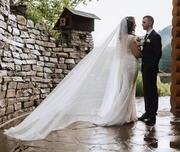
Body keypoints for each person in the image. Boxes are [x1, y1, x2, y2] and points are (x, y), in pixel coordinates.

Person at [4, 17, 141, 141]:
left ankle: (126, 114)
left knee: (124, 88)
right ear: (131, 26)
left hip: (123, 65)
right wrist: (142, 49)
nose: (136, 24)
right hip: (130, 64)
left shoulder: (121, 39)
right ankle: (123, 115)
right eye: (135, 23)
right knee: (128, 89)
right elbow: (137, 54)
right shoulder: (131, 38)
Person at [138, 15, 162, 126]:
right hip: (144, 69)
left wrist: (151, 67)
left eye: (144, 22)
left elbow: (158, 54)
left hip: (151, 69)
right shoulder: (145, 36)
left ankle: (152, 116)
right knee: (146, 91)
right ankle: (147, 113)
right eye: (142, 22)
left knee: (152, 92)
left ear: (150, 23)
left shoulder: (156, 36)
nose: (142, 23)